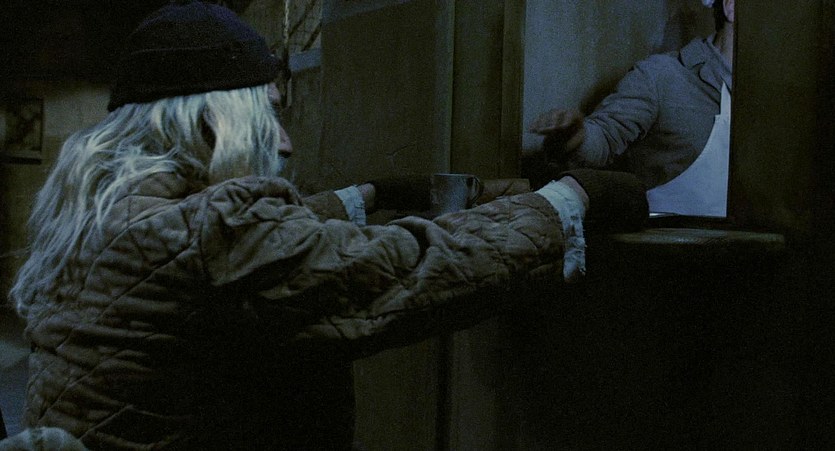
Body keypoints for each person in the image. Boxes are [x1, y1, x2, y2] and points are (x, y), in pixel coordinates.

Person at [4, 1, 647, 449]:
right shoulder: (216, 228)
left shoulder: (98, 212)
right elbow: (403, 272)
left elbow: (233, 259)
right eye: (269, 115)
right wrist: (568, 201)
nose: (284, 143)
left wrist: (371, 195)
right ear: (211, 123)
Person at [528, 0, 735, 217]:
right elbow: (604, 137)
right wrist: (576, 137)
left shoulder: (758, 98)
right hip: (666, 237)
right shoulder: (662, 77)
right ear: (731, 7)